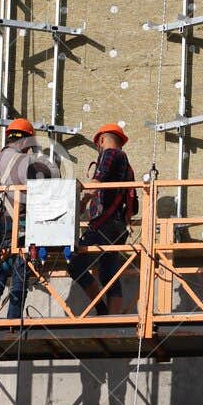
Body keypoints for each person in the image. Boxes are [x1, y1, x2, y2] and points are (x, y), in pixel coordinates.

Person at [0, 118, 39, 320]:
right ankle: (13, 321)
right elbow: (42, 198)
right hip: (20, 229)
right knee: (19, 277)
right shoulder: (29, 163)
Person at [71, 123, 137, 316]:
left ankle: (101, 310)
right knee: (109, 274)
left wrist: (81, 204)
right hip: (118, 228)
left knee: (76, 265)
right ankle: (113, 316)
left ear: (101, 140)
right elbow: (135, 205)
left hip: (104, 225)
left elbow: (96, 183)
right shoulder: (127, 166)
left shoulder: (109, 155)